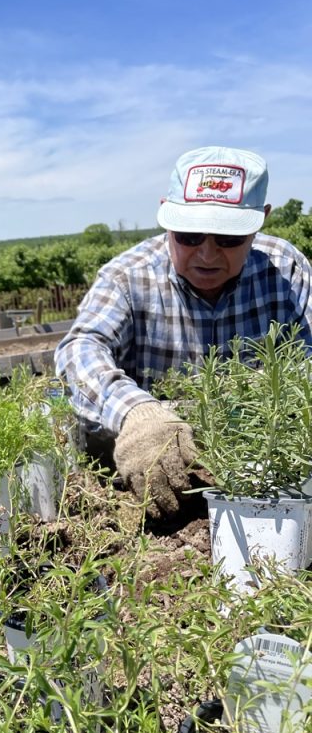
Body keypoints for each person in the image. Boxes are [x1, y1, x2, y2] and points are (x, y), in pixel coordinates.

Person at [55, 145, 312, 517]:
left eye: (228, 239)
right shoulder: (128, 276)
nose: (207, 254)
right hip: (157, 487)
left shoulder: (286, 271)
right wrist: (137, 413)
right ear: (167, 217)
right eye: (189, 236)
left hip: (268, 487)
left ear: (261, 221)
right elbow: (80, 348)